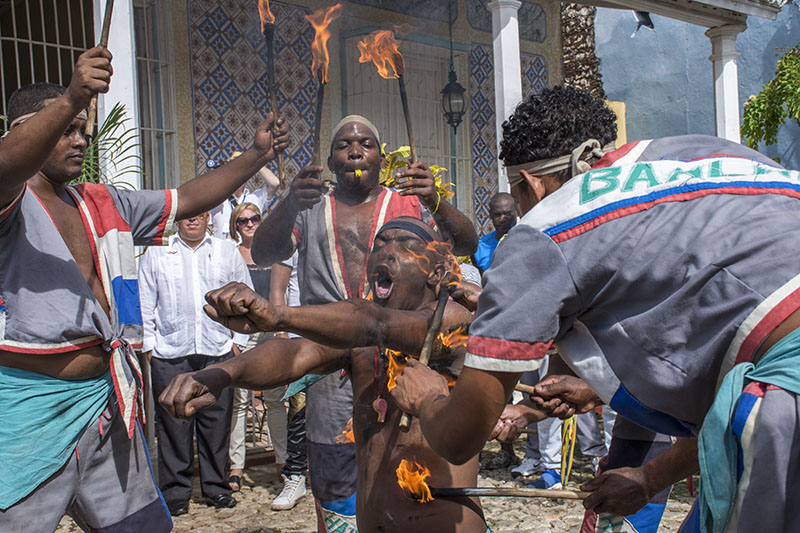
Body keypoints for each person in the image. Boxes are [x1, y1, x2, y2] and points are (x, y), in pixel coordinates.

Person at [390, 85, 800, 532]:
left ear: (529, 184)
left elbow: (459, 436)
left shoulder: (543, 228)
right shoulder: (708, 152)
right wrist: (644, 466)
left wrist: (428, 395)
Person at [0, 46, 288, 532]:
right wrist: (72, 97)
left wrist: (257, 155)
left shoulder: (101, 201)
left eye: (83, 132)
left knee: (141, 527)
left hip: (109, 402)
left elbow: (190, 196)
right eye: (65, 129)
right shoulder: (10, 201)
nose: (78, 141)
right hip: (30, 410)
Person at [159, 218, 486, 532]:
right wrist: (221, 374)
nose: (387, 251)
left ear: (436, 272)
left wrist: (279, 315)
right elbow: (296, 354)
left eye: (406, 245)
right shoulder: (359, 335)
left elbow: (375, 323)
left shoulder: (454, 320)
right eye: (381, 243)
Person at [251, 114, 478, 528]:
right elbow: (264, 254)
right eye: (344, 145)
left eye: (366, 144)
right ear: (332, 160)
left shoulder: (406, 203)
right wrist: (288, 204)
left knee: (401, 461)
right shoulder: (310, 206)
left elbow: (465, 244)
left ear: (380, 156)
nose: (355, 150)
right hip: (332, 354)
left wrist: (436, 200)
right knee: (336, 465)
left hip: (402, 357)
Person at [138, 212, 253, 514]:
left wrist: (237, 344)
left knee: (216, 422)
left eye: (198, 216)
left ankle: (216, 487)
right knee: (174, 424)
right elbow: (145, 301)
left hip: (216, 350)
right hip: (170, 351)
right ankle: (176, 493)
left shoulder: (226, 251)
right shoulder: (157, 252)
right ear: (177, 221)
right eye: (186, 217)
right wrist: (149, 347)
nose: (192, 221)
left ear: (207, 219)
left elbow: (245, 295)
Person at [226, 202, 288, 492]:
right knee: (239, 401)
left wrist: (284, 330)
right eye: (243, 221)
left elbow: (283, 291)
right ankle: (236, 465)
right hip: (245, 332)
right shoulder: (231, 253)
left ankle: (283, 459)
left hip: (272, 328)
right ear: (235, 226)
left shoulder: (275, 251)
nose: (249, 224)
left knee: (276, 398)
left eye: (254, 219)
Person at [268, 251, 309, 511]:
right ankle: (296, 476)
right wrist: (281, 333)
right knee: (298, 408)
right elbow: (277, 290)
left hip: (341, 332)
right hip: (299, 337)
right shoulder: (290, 243)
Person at [210, 157, 279, 241]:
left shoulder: (255, 198)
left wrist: (253, 161)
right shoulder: (216, 200)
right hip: (223, 252)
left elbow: (274, 183)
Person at [472, 192, 518, 273]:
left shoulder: (529, 240)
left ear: (516, 212)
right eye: (497, 215)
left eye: (507, 214)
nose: (502, 219)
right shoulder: (480, 248)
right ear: (490, 215)